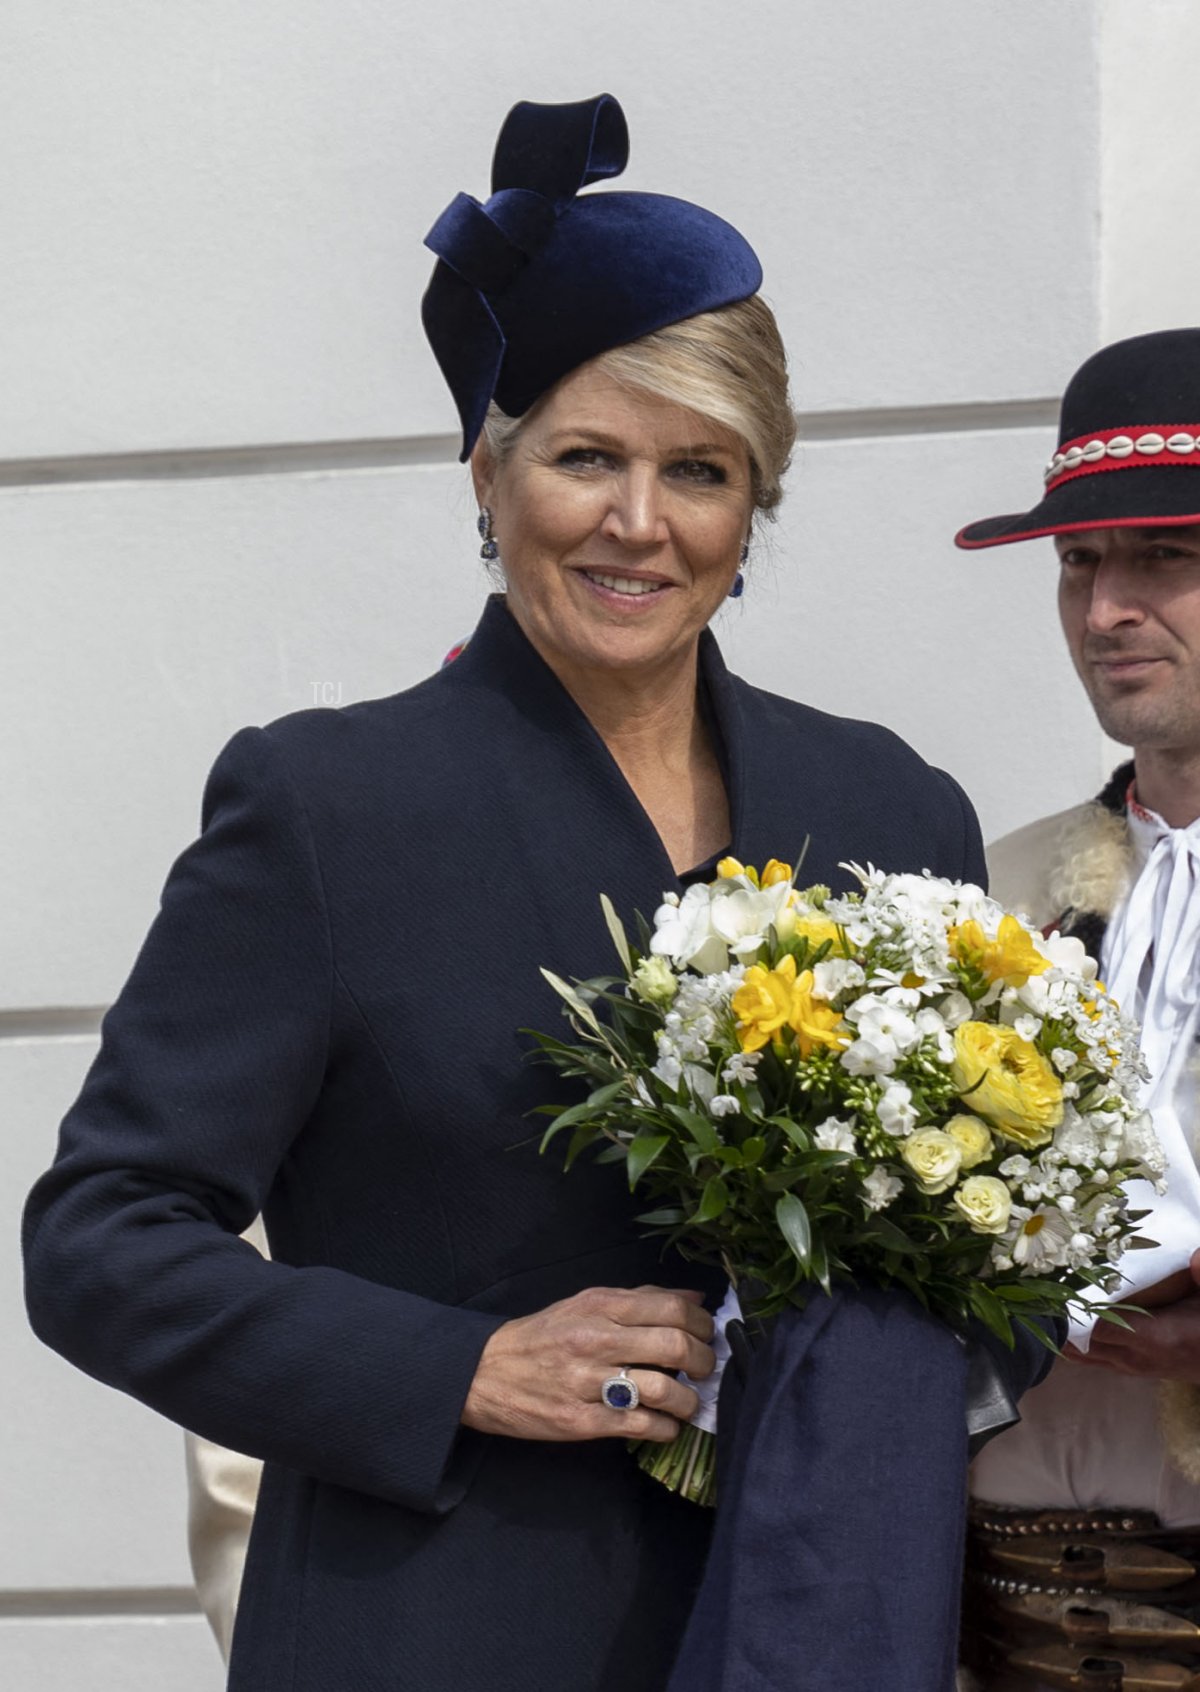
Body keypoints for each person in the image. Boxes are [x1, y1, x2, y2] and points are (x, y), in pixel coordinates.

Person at [25, 93, 1011, 1691]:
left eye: (699, 470)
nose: (640, 523)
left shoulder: (892, 805)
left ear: (754, 505)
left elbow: (991, 1260)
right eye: (585, 457)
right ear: (488, 474)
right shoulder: (329, 806)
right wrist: (462, 1366)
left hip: (820, 1620)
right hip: (436, 1626)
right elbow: (100, 1242)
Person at [955, 327, 1200, 1690]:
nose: (1106, 608)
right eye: (1078, 562)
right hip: (1013, 1614)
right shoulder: (995, 892)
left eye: (1164, 554)